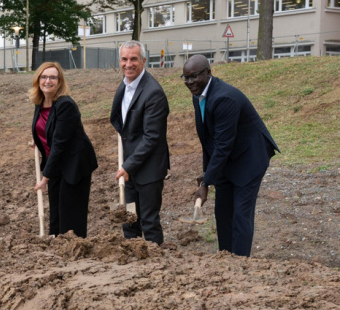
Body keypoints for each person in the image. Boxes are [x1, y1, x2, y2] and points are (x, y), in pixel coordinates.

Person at [182, 55, 279, 257]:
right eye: (186, 77)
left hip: (249, 156)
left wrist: (206, 183)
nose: (189, 82)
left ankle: (240, 264)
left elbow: (223, 145)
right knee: (223, 212)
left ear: (208, 72)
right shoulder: (198, 95)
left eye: (194, 76)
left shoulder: (224, 98)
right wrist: (208, 173)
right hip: (228, 157)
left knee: (241, 214)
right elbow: (208, 140)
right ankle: (225, 259)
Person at [110, 40, 170, 245]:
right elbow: (118, 119)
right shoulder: (125, 84)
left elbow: (152, 137)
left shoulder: (153, 93)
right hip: (130, 166)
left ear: (143, 61)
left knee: (149, 220)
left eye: (134, 59)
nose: (129, 64)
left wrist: (128, 165)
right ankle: (132, 263)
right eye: (124, 59)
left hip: (149, 169)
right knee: (129, 219)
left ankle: (156, 265)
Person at [31, 62, 98, 238]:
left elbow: (60, 143)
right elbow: (48, 128)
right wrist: (38, 139)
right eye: (44, 77)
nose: (48, 81)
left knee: (70, 214)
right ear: (38, 80)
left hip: (74, 165)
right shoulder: (41, 103)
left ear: (60, 82)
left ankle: (74, 254)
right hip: (56, 165)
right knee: (56, 213)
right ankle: (56, 252)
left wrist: (44, 178)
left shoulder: (65, 105)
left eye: (53, 77)